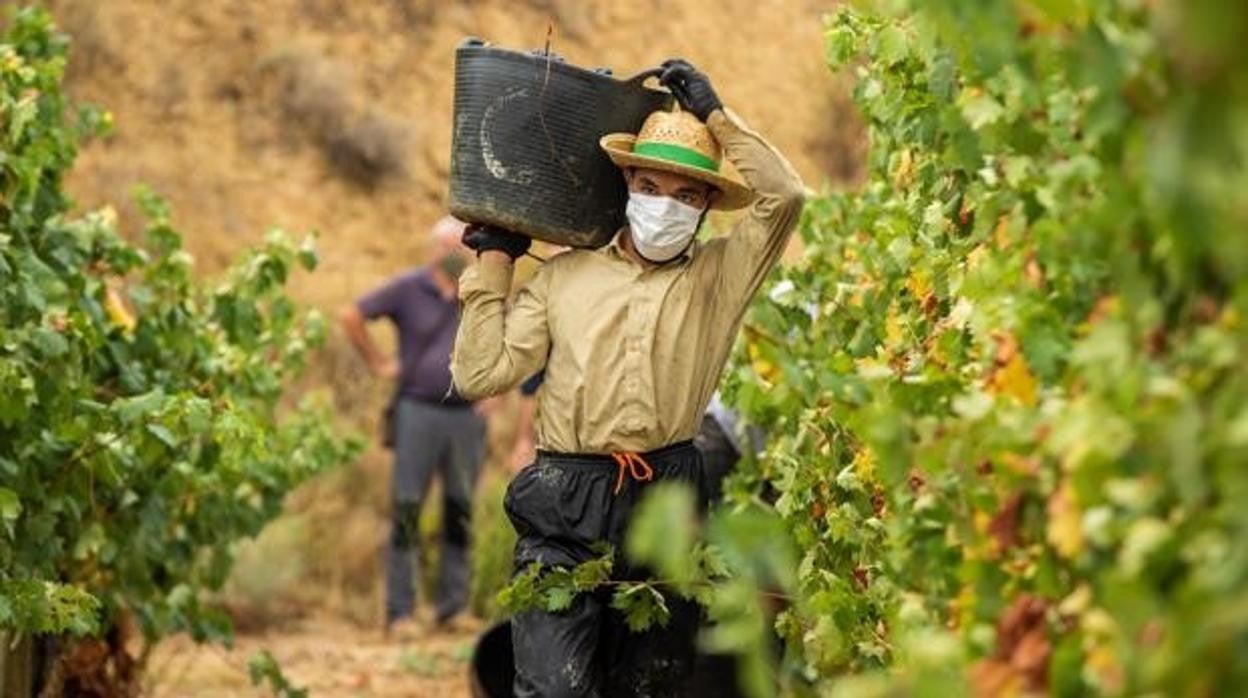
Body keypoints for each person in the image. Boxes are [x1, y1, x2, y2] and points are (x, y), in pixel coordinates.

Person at [451, 58, 805, 696]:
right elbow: (481, 374)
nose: (664, 206)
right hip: (566, 498)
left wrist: (716, 117)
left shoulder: (718, 280)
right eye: (649, 187)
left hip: (668, 499)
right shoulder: (564, 278)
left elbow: (786, 196)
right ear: (628, 188)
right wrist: (495, 263)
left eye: (686, 196)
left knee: (648, 685)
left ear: (704, 211)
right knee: (553, 687)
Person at [338, 215, 486, 635]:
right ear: (435, 249)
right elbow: (352, 315)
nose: (458, 254)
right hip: (418, 412)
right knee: (406, 509)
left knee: (460, 510)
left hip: (466, 416)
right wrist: (379, 363)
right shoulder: (408, 287)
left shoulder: (478, 290)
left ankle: (452, 609)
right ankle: (400, 613)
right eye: (450, 247)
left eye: (464, 247)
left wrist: (497, 393)